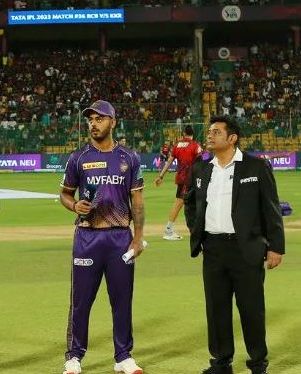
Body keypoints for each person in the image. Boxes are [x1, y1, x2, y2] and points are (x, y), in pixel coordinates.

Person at [184, 116, 285, 374]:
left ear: (232, 138)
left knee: (251, 309)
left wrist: (276, 247)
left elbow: (271, 208)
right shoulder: (201, 168)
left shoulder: (255, 167)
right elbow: (191, 203)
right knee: (216, 309)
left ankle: (258, 363)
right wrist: (198, 233)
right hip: (213, 249)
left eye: (216, 132)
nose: (209, 135)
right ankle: (221, 362)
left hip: (246, 249)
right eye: (209, 131)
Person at [59, 100, 145, 374]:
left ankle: (123, 356)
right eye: (91, 120)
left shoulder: (129, 157)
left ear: (113, 122)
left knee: (122, 300)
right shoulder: (78, 158)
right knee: (81, 301)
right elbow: (64, 194)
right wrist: (74, 206)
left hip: (121, 238)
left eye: (100, 119)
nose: (94, 124)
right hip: (87, 237)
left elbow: (138, 200)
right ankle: (74, 356)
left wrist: (138, 237)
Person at [154, 125, 202, 240]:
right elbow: (200, 164)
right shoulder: (196, 146)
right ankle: (168, 231)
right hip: (190, 180)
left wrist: (161, 176)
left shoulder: (177, 146)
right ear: (193, 133)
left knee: (190, 204)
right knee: (180, 204)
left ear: (184, 133)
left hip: (182, 179)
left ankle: (198, 229)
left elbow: (169, 161)